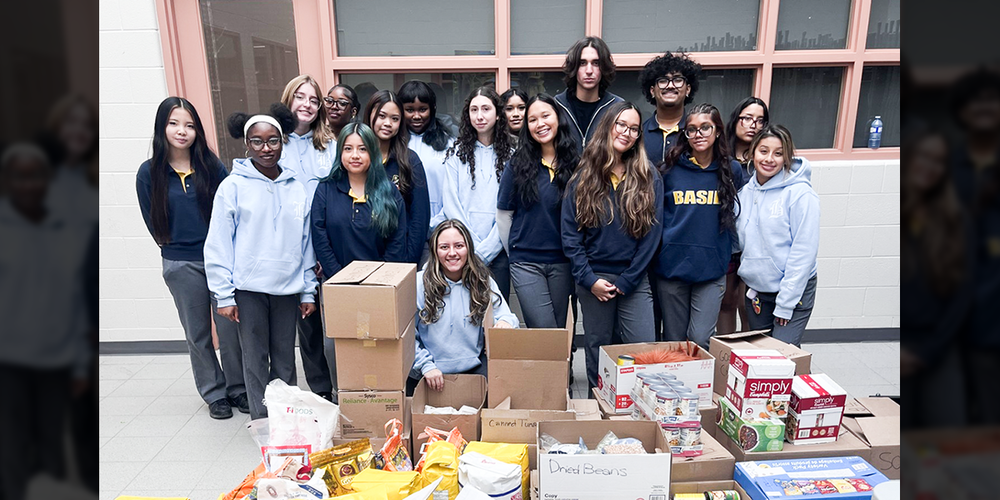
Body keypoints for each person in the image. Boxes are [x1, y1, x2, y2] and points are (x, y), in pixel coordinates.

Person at [204, 103, 318, 420]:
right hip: (248, 289)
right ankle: (262, 422)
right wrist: (224, 295)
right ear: (246, 144)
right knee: (255, 358)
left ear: (283, 142)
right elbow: (218, 245)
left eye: (273, 140)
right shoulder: (232, 187)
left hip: (287, 288)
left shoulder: (298, 187)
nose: (266, 148)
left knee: (284, 358)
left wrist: (308, 290)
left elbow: (306, 243)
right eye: (257, 141)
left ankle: (287, 419)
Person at [136, 96, 247, 418]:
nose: (182, 131)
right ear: (162, 128)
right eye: (173, 124)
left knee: (230, 331)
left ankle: (238, 388)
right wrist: (172, 249)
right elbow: (152, 219)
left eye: (189, 125)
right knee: (197, 333)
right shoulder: (149, 173)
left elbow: (230, 213)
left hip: (220, 260)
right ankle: (214, 393)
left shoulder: (212, 167)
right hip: (180, 263)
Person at [0, 144, 95, 500]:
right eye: (19, 177)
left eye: (36, 176)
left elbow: (75, 302)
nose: (28, 184)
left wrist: (81, 366)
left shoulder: (63, 230)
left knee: (52, 442)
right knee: (12, 445)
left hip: (56, 359)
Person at [561, 101, 662, 392]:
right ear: (608, 126)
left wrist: (630, 279)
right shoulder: (583, 177)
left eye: (634, 128)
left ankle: (640, 414)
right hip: (593, 280)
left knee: (642, 351)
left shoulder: (648, 176)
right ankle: (600, 408)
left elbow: (653, 235)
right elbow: (570, 235)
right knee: (599, 349)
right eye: (621, 125)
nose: (627, 133)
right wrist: (589, 279)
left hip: (634, 279)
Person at [656, 103, 745, 349]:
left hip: (711, 270)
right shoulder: (669, 171)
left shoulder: (731, 169)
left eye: (705, 128)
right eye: (691, 129)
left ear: (717, 131)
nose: (698, 134)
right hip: (672, 269)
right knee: (674, 343)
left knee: (700, 340)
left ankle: (699, 388)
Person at [900, 125, 971, 428]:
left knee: (947, 432)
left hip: (939, 346)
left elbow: (964, 296)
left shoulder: (956, 219)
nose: (929, 167)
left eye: (938, 161)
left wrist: (926, 352)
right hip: (902, 345)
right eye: (923, 156)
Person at [497, 93, 578, 328]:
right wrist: (515, 253)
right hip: (526, 262)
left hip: (565, 261)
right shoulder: (517, 164)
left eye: (545, 116)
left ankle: (566, 367)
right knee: (544, 331)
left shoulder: (577, 164)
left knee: (564, 330)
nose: (540, 124)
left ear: (558, 118)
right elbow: (503, 216)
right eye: (532, 120)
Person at [409, 219, 518, 394]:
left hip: (474, 369)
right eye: (444, 247)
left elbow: (507, 316)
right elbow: (405, 336)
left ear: (468, 248)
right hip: (430, 372)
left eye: (459, 245)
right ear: (435, 251)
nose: (452, 253)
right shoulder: (418, 284)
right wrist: (425, 365)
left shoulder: (482, 281)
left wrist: (505, 322)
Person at [735, 124, 819, 347]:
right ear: (752, 152)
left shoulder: (801, 194)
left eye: (778, 153)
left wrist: (786, 303)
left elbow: (803, 253)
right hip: (759, 291)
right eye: (763, 151)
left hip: (793, 290)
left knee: (782, 355)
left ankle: (803, 382)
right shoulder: (744, 194)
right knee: (763, 356)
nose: (769, 159)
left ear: (787, 157)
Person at [280, 75, 336, 402]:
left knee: (340, 325)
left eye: (314, 100)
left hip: (324, 249)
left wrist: (321, 254)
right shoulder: (275, 144)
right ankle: (321, 392)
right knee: (308, 327)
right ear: (288, 100)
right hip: (289, 252)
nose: (307, 105)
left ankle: (349, 386)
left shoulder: (328, 145)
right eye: (300, 97)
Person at [435, 87, 514, 299]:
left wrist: (487, 249)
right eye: (474, 110)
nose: (479, 116)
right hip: (462, 251)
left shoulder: (512, 157)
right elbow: (451, 205)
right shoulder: (455, 155)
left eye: (486, 109)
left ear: (498, 114)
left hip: (498, 252)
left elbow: (511, 211)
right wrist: (470, 247)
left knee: (496, 315)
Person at [312, 122, 408, 281]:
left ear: (373, 152)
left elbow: (397, 242)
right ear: (340, 152)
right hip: (336, 283)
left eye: (362, 149)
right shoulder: (325, 189)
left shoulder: (390, 192)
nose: (355, 155)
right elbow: (320, 239)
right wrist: (340, 278)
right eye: (348, 148)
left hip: (381, 285)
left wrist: (377, 280)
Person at [719, 97, 769, 334]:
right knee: (726, 302)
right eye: (747, 118)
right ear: (736, 119)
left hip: (757, 244)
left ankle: (751, 362)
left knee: (748, 305)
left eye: (760, 120)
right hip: (727, 240)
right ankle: (726, 361)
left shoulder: (766, 160)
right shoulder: (721, 155)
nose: (753, 125)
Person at [364, 90, 431, 263]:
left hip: (403, 256)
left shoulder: (409, 160)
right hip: (363, 255)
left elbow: (419, 218)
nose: (388, 123)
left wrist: (409, 260)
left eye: (395, 119)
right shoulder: (356, 159)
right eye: (382, 116)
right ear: (369, 115)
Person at [399, 80, 455, 236]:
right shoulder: (394, 145)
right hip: (403, 230)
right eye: (410, 110)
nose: (417, 116)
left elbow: (455, 191)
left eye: (423, 109)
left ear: (433, 109)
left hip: (441, 229)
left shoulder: (449, 144)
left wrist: (436, 224)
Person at [554, 37, 624, 153]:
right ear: (574, 67)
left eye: (596, 63)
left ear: (603, 68)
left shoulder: (617, 108)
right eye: (582, 63)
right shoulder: (556, 107)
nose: (589, 70)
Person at [638, 52, 702, 169]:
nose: (670, 86)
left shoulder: (698, 133)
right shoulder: (639, 134)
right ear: (652, 91)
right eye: (663, 80)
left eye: (677, 80)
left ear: (688, 89)